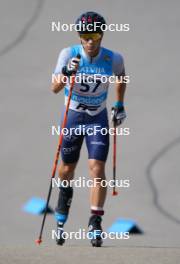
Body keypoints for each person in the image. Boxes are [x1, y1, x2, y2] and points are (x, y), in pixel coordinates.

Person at [51, 11, 127, 247]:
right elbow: (54, 88)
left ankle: (95, 220)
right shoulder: (68, 54)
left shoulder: (112, 58)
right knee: (66, 169)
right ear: (80, 37)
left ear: (101, 35)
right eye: (86, 35)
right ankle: (62, 209)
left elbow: (122, 77)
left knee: (97, 168)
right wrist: (66, 73)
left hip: (97, 118)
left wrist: (119, 104)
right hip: (73, 115)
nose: (90, 41)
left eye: (95, 35)